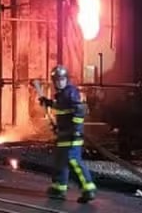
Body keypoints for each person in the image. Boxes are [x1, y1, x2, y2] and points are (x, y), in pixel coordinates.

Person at [38, 65, 97, 203]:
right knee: (60, 161)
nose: (59, 82)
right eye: (57, 80)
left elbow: (79, 110)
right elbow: (62, 107)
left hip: (72, 135)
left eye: (62, 79)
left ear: (66, 79)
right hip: (64, 134)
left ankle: (88, 189)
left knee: (73, 161)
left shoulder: (71, 92)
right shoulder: (62, 94)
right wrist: (48, 103)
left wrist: (75, 130)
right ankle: (59, 188)